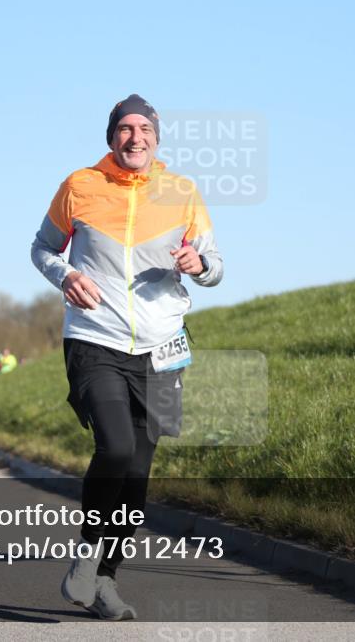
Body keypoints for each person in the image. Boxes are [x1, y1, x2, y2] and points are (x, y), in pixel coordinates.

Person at [31, 94, 223, 620]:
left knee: (137, 476)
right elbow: (42, 248)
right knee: (115, 448)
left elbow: (216, 264)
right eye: (125, 128)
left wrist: (200, 263)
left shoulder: (182, 192)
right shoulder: (79, 186)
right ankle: (88, 553)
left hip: (160, 348)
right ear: (111, 136)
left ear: (156, 138)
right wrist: (66, 274)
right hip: (96, 338)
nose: (135, 137)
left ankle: (106, 581)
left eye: (145, 129)